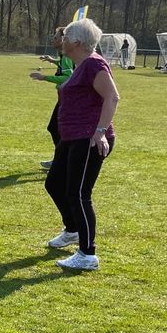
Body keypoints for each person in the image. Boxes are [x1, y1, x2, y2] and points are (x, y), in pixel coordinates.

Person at [44, 18, 119, 271]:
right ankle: (73, 229)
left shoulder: (94, 64)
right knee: (54, 183)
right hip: (71, 137)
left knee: (78, 194)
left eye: (65, 37)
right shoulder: (79, 65)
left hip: (88, 139)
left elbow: (112, 97)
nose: (61, 40)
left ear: (77, 41)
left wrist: (99, 133)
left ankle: (88, 254)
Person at [31, 27, 74, 169]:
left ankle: (61, 161)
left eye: (56, 37)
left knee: (55, 128)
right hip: (65, 98)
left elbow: (67, 77)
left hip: (68, 99)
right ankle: (60, 159)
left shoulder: (67, 55)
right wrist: (53, 61)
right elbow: (66, 67)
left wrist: (44, 77)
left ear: (64, 40)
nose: (53, 40)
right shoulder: (64, 55)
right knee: (56, 128)